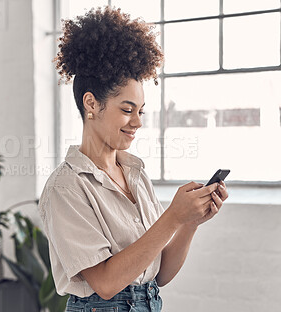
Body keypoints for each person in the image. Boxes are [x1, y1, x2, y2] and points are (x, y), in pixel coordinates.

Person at [37, 6, 229, 312]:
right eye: (127, 110)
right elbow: (106, 282)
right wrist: (173, 218)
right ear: (91, 104)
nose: (137, 122)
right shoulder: (67, 187)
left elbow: (160, 273)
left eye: (141, 111)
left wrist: (190, 222)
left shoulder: (135, 173)